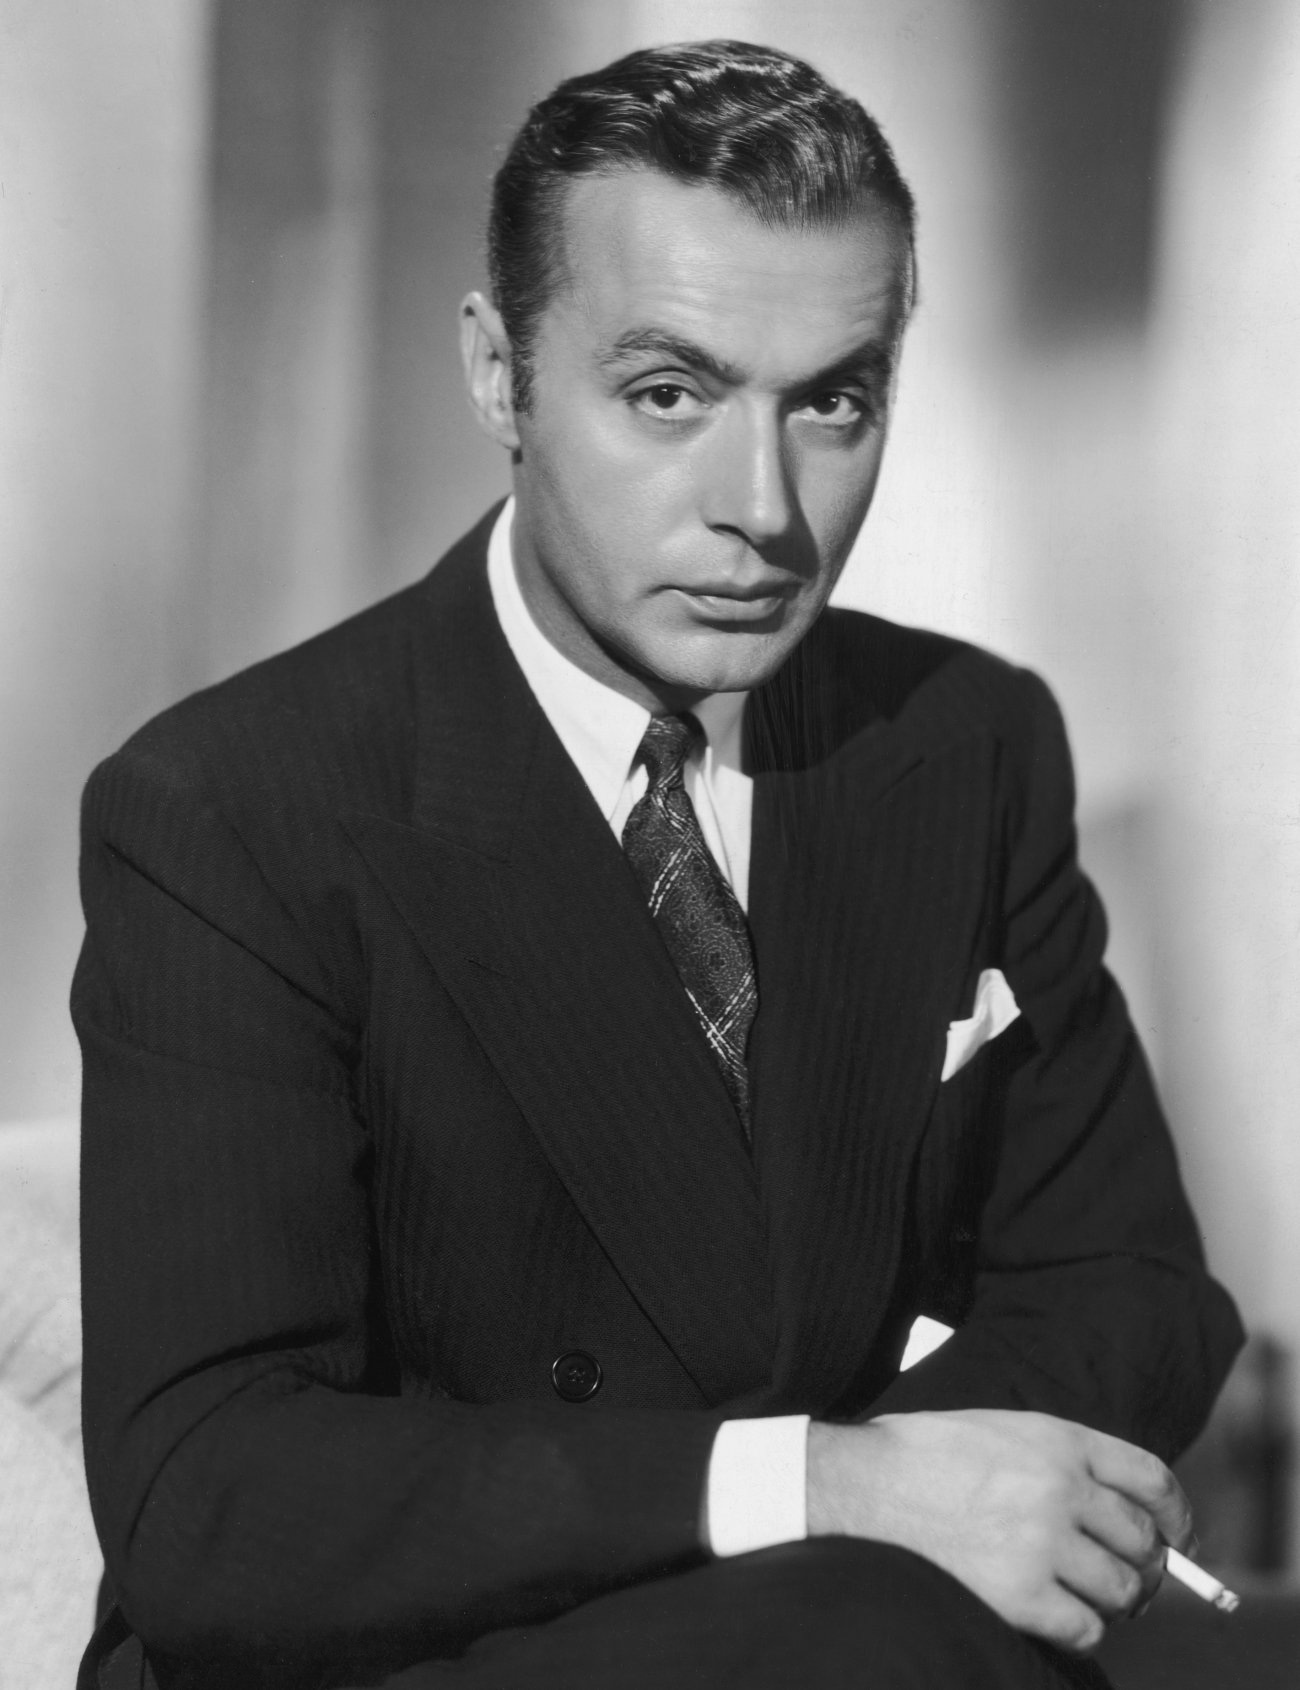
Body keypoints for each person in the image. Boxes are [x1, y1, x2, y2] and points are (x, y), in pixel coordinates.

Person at [73, 39, 1243, 1690]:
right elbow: (215, 1501)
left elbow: (1133, 1287)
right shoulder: (232, 808)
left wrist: (913, 1502)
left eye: (832, 402)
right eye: (669, 396)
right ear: (499, 376)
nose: (763, 509)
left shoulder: (963, 742)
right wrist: (829, 1490)